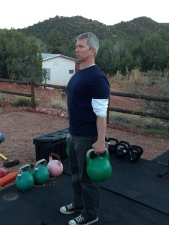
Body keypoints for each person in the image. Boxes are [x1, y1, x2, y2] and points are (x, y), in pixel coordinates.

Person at [60, 32, 110, 225]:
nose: (76, 49)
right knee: (75, 175)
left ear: (92, 51)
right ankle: (78, 204)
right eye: (77, 46)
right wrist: (71, 133)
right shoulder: (79, 73)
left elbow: (101, 114)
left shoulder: (97, 78)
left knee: (87, 180)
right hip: (74, 134)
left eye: (81, 46)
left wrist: (100, 140)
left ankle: (90, 214)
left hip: (88, 137)